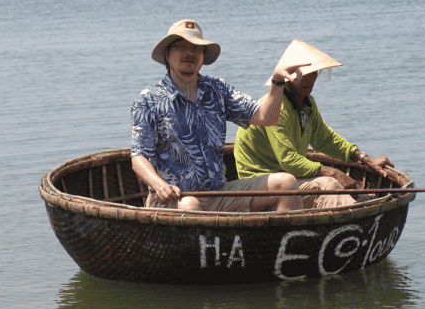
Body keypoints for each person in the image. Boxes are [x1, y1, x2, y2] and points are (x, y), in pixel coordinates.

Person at [131, 19, 308, 212]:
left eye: (196, 48)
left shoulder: (218, 89)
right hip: (174, 199)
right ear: (167, 54)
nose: (189, 53)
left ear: (203, 55)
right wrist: (159, 185)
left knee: (287, 183)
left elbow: (266, 118)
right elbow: (139, 157)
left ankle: (280, 241)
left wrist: (277, 81)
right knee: (191, 205)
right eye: (181, 47)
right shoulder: (148, 100)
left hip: (219, 193)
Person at [234, 39, 394, 209]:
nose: (311, 79)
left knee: (333, 184)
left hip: (288, 177)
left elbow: (324, 138)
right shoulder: (277, 107)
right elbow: (288, 160)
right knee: (328, 185)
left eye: (314, 73)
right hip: (261, 184)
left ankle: (361, 207)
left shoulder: (307, 103)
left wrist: (363, 158)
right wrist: (333, 172)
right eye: (306, 74)